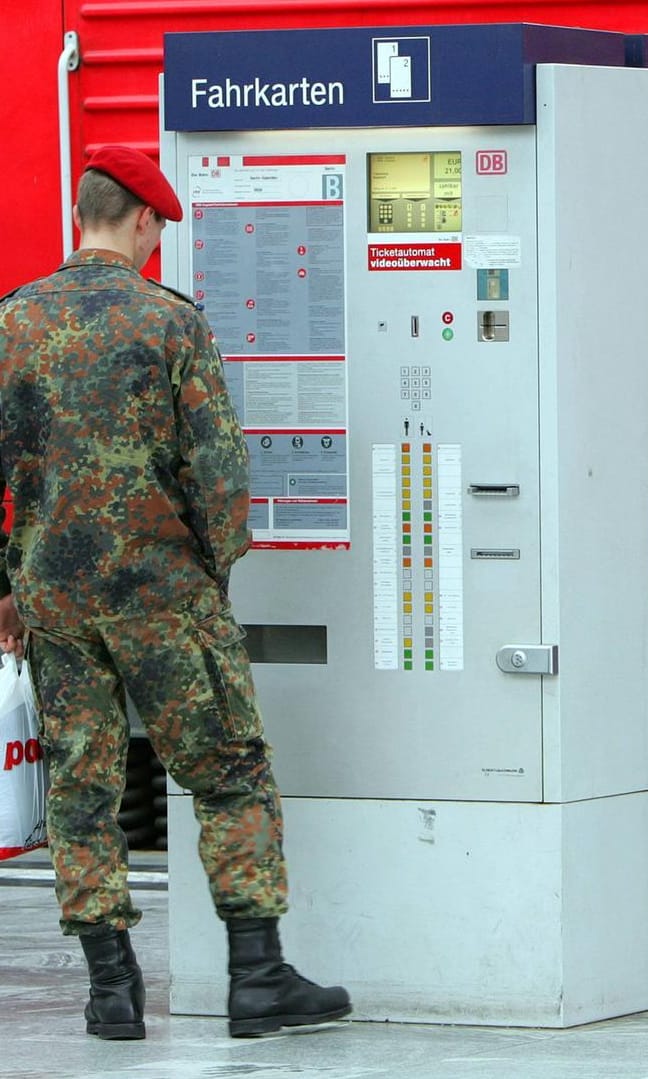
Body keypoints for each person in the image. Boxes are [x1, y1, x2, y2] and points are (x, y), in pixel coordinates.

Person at [0, 146, 351, 1039]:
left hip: (55, 598)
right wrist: (212, 574)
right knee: (228, 768)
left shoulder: (14, 321)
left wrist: (6, 585)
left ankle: (110, 991)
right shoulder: (170, 322)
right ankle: (258, 974)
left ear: (82, 215)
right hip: (163, 594)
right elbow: (221, 473)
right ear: (145, 220)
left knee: (83, 785)